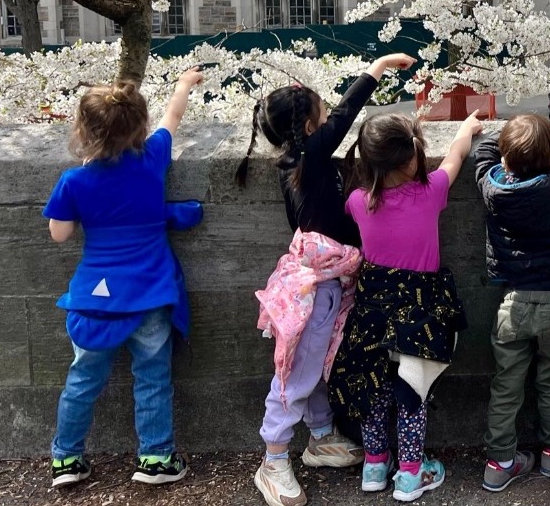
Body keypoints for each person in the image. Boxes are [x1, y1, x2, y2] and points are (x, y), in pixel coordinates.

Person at [236, 53, 416, 506]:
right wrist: (375, 70)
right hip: (315, 289)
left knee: (319, 363)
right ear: (310, 129)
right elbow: (344, 118)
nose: (328, 118)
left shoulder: (302, 166)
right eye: (321, 113)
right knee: (295, 374)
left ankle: (319, 437)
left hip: (324, 285)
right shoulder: (308, 160)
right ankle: (273, 460)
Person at [45, 68, 205, 488]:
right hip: (149, 292)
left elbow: (60, 235)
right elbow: (174, 118)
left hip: (94, 298)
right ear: (140, 126)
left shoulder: (73, 180)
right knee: (152, 377)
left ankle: (66, 459)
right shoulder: (152, 159)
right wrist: (183, 85)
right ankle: (155, 457)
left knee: (81, 380)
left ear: (83, 130)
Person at [331, 111, 480, 502]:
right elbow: (456, 158)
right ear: (413, 155)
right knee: (411, 392)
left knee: (374, 391)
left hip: (373, 309)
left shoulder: (358, 202)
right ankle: (411, 474)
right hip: (420, 313)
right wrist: (465, 130)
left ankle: (375, 465)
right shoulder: (431, 191)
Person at [474, 114, 550, 491]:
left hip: (512, 301)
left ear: (505, 161)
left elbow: (482, 156)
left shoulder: (492, 188)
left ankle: (500, 461)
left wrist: (501, 129)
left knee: (506, 384)